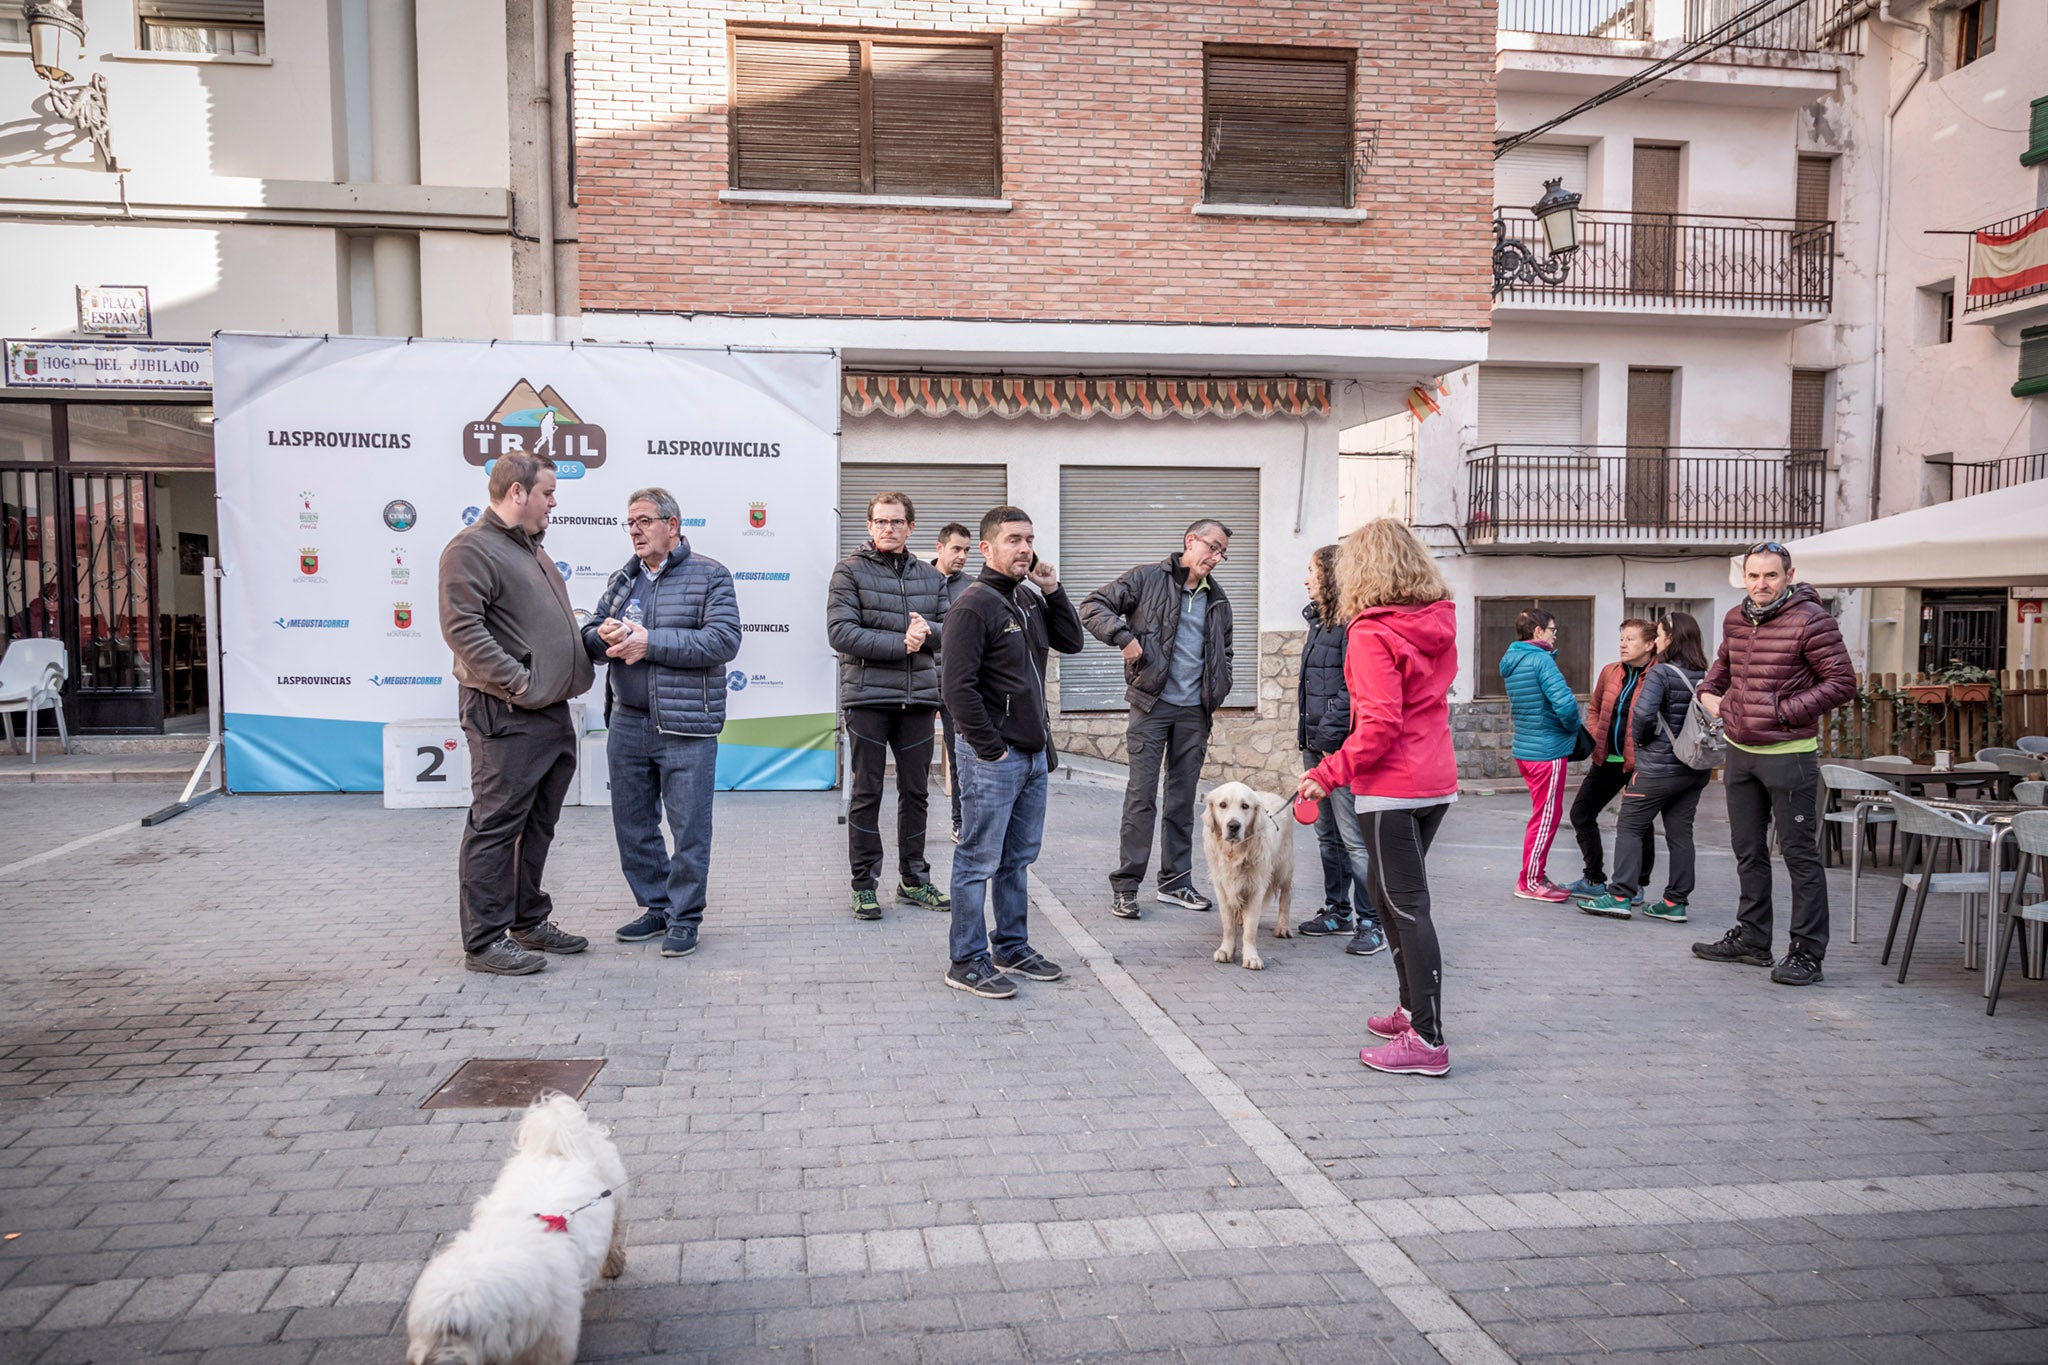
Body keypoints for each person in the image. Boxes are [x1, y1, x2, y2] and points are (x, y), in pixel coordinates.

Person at [1297, 519, 1459, 1076]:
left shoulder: (1370, 632)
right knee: (1393, 902)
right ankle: (1412, 1010)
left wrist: (1328, 772)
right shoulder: (1435, 619)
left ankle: (1428, 1039)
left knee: (1405, 908)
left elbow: (1380, 724)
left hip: (1391, 787)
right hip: (1434, 780)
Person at [438, 451, 595, 976]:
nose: (554, 501)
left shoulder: (530, 550)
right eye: (548, 492)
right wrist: (520, 681)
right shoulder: (470, 549)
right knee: (497, 825)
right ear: (518, 493)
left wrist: (588, 643)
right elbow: (463, 630)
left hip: (549, 711)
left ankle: (527, 920)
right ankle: (484, 942)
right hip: (506, 712)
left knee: (538, 824)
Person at [585, 487, 741, 960]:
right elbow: (590, 634)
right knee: (633, 825)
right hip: (628, 723)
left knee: (689, 827)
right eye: (630, 522)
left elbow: (722, 641)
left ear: (672, 526)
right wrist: (602, 635)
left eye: (644, 520)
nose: (634, 529)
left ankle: (686, 917)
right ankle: (655, 907)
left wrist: (649, 642)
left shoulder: (711, 576)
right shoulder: (623, 579)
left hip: (686, 726)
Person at [1693, 544, 1857, 986]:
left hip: (1789, 755)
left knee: (1800, 856)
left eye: (1770, 576)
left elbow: (1842, 683)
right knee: (1748, 852)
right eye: (1753, 576)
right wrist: (1714, 700)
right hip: (1740, 754)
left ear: (1789, 575)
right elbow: (1716, 675)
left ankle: (1807, 954)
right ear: (1743, 577)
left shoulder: (1811, 620)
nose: (1760, 584)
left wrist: (1782, 712)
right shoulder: (1734, 618)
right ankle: (1752, 939)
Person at [939, 505, 1086, 998]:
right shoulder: (972, 605)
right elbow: (957, 689)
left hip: (1033, 754)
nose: (1024, 548)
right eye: (1013, 540)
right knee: (978, 859)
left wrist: (1052, 590)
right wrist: (991, 750)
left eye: (1029, 538)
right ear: (987, 548)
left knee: (1017, 858)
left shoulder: (1025, 598)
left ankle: (1012, 945)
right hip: (995, 758)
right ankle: (966, 959)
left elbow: (1072, 641)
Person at [1080, 520, 1235, 920]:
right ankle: (1127, 885)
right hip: (1151, 705)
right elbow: (1093, 606)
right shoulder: (1147, 578)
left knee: (1183, 801)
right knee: (1141, 796)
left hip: (1194, 713)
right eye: (1212, 548)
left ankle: (1175, 882)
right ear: (1190, 541)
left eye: (1222, 553)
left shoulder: (1217, 601)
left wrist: (1219, 688)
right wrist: (1123, 637)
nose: (1216, 558)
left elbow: (1226, 652)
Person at [827, 493, 953, 921]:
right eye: (880, 521)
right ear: (869, 526)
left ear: (911, 528)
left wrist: (928, 632)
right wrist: (902, 643)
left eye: (897, 522)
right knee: (866, 792)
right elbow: (841, 633)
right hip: (866, 698)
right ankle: (864, 885)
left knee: (917, 792)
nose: (888, 528)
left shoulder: (930, 577)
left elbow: (951, 629)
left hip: (918, 699)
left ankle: (913, 880)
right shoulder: (849, 572)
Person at [1577, 613, 1711, 923]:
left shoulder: (1661, 673)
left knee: (1630, 827)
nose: (1659, 640)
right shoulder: (1705, 674)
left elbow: (1643, 716)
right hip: (1693, 767)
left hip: (1658, 767)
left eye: (1662, 635)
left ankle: (1621, 894)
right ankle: (1675, 902)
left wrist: (1642, 742)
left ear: (1670, 640)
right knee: (1680, 835)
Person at [1293, 544, 1385, 956]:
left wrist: (1330, 736)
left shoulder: (1353, 624)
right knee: (1326, 835)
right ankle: (1337, 910)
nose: (1307, 579)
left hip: (1341, 749)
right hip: (1316, 744)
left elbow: (1352, 690)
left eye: (1312, 571)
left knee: (1353, 838)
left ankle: (1373, 922)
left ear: (1331, 575)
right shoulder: (1319, 623)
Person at [1564, 620, 1658, 903]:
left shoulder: (1658, 676)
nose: (1623, 643)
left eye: (1630, 639)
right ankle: (1593, 878)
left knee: (1639, 823)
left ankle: (1637, 883)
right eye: (1622, 638)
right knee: (1581, 814)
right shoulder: (1610, 672)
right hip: (1607, 759)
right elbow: (1594, 708)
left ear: (1650, 645)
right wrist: (1595, 736)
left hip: (1640, 762)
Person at [1498, 609, 1583, 902]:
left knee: (1542, 815)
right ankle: (1530, 881)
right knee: (1546, 818)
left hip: (1527, 747)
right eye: (1551, 629)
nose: (1554, 634)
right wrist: (1573, 729)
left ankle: (1534, 875)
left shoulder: (1514, 661)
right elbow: (1567, 707)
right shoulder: (1541, 661)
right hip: (1548, 749)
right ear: (1537, 632)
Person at [931, 522, 974, 844]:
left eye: (967, 550)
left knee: (959, 756)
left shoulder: (972, 588)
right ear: (940, 547)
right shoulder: (918, 580)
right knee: (915, 761)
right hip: (917, 681)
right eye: (956, 549)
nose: (961, 556)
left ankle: (960, 822)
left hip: (954, 684)